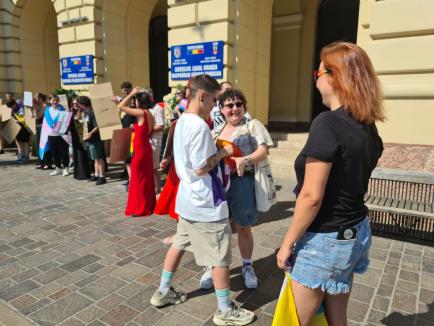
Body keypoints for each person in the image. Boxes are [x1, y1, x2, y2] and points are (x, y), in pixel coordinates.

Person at [276, 41, 385, 326]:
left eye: (318, 73)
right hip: (354, 231)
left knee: (295, 321)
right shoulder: (367, 126)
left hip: (324, 238)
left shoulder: (328, 123)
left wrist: (287, 244)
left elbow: (312, 196)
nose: (317, 79)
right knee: (337, 317)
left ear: (335, 77)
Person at [149, 74, 255, 326]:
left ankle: (163, 291)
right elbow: (200, 167)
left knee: (179, 243)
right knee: (219, 257)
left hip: (188, 200)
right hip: (205, 202)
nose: (216, 107)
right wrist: (223, 152)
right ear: (202, 96)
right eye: (215, 101)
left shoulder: (183, 120)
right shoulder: (198, 125)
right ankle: (224, 309)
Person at [200, 89, 273, 290]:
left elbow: (263, 151)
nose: (235, 109)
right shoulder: (215, 130)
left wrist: (245, 159)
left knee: (243, 226)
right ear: (221, 109)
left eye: (238, 104)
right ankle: (212, 266)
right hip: (220, 185)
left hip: (243, 183)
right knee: (217, 228)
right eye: (229, 105)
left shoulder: (252, 125)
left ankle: (247, 266)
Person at [118, 87, 156, 216]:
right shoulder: (150, 114)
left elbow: (121, 106)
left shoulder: (141, 113)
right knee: (146, 178)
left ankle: (140, 208)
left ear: (139, 102)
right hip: (146, 148)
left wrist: (132, 94)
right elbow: (148, 132)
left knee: (138, 178)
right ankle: (148, 205)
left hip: (140, 151)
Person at [112, 81, 137, 191]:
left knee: (131, 158)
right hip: (124, 131)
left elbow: (130, 108)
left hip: (132, 133)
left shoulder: (134, 99)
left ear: (131, 89)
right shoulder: (124, 100)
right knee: (126, 158)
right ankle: (129, 178)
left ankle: (133, 181)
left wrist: (120, 101)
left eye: (127, 90)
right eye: (124, 90)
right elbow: (120, 110)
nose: (125, 92)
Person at [77, 96, 106, 185]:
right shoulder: (85, 112)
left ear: (82, 103)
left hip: (95, 138)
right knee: (94, 158)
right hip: (89, 139)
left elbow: (97, 125)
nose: (78, 105)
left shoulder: (92, 112)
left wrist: (91, 133)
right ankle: (96, 174)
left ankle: (102, 176)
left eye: (78, 103)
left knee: (99, 158)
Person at [145, 88, 165, 195]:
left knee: (154, 167)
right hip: (146, 141)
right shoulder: (144, 109)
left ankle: (157, 188)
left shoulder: (157, 108)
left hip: (154, 141)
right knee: (148, 167)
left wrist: (147, 130)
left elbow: (160, 125)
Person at [70, 98, 91, 180]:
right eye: (74, 103)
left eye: (77, 103)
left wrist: (79, 119)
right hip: (74, 136)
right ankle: (77, 174)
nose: (75, 105)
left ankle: (84, 174)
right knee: (76, 155)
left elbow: (86, 124)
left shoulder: (84, 112)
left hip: (82, 136)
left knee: (82, 155)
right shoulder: (71, 113)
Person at [7, 99, 31, 163]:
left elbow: (24, 118)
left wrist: (18, 121)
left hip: (25, 128)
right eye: (10, 107)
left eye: (12, 107)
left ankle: (26, 157)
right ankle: (22, 156)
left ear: (15, 104)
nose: (11, 108)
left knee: (25, 142)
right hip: (18, 128)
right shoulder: (13, 110)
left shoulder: (21, 108)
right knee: (20, 142)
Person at [33, 93, 52, 169]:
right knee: (39, 145)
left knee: (45, 145)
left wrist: (34, 108)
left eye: (36, 98)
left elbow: (38, 117)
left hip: (44, 128)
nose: (35, 100)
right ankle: (41, 162)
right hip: (38, 128)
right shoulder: (39, 106)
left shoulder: (45, 106)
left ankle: (47, 163)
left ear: (41, 98)